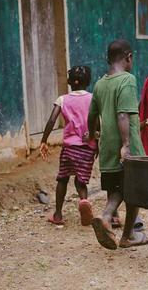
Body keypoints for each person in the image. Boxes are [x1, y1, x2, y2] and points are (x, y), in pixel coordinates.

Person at [87, 39, 148, 250]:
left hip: (106, 145)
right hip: (127, 144)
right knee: (135, 189)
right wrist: (126, 144)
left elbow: (92, 116)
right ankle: (128, 235)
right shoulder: (128, 80)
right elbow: (123, 114)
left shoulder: (99, 84)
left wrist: (94, 137)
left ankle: (106, 217)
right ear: (128, 57)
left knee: (118, 187)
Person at [40, 66, 96, 226]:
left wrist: (44, 140)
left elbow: (51, 121)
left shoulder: (62, 99)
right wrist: (95, 138)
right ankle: (84, 201)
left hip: (69, 148)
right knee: (80, 181)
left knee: (63, 178)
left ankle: (58, 215)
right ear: (88, 82)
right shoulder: (93, 98)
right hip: (87, 147)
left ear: (70, 82)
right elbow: (98, 120)